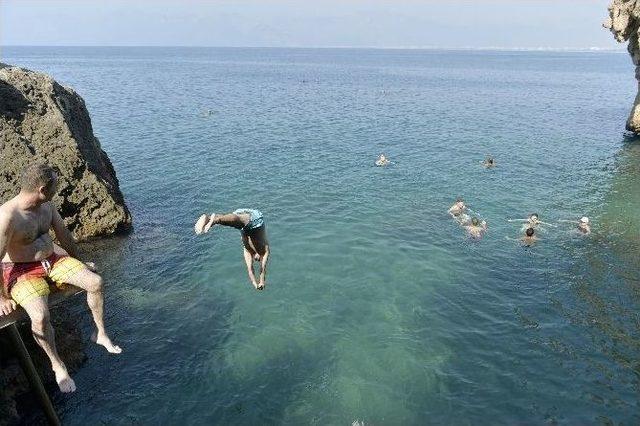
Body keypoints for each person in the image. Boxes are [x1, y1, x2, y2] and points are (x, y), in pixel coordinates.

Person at [0, 164, 122, 393]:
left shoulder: (47, 206)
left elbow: (64, 237)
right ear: (43, 188)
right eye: (55, 184)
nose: (58, 187)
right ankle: (57, 365)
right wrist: (1, 298)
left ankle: (100, 333)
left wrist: (79, 261)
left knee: (95, 283)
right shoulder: (8, 216)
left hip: (53, 260)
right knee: (39, 316)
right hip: (21, 269)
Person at [195, 208, 270, 291]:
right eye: (259, 260)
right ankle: (214, 220)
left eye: (256, 260)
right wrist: (261, 282)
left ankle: (208, 219)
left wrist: (255, 284)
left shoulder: (248, 252)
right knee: (238, 220)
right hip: (255, 221)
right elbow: (262, 270)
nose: (257, 260)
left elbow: (250, 269)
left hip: (243, 221)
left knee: (235, 221)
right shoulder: (265, 251)